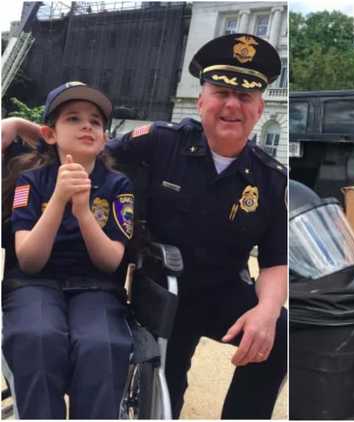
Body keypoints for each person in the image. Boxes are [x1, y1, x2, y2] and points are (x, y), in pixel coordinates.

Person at [1, 33, 288, 419]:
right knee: (164, 383)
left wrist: (267, 312)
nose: (232, 105)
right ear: (201, 99)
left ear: (259, 107)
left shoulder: (271, 178)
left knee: (281, 334)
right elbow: (86, 147)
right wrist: (20, 125)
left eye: (245, 97)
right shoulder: (159, 141)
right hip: (165, 290)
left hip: (222, 290)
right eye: (220, 92)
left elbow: (274, 260)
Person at [1, 82, 133, 419]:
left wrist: (83, 211)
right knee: (38, 337)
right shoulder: (30, 182)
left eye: (96, 121)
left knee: (102, 345)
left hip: (96, 285)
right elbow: (29, 260)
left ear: (105, 137)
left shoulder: (118, 186)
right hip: (35, 283)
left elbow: (111, 262)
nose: (87, 125)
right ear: (49, 133)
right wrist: (58, 200)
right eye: (73, 118)